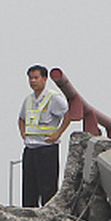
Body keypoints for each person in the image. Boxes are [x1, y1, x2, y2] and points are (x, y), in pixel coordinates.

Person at [16, 65, 68, 207]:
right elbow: (21, 118)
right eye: (30, 78)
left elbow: (69, 113)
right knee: (29, 188)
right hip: (30, 148)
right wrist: (23, 133)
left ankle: (49, 219)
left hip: (46, 149)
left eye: (36, 78)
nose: (33, 81)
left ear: (44, 79)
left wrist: (58, 133)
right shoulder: (29, 100)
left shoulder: (53, 98)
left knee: (48, 188)